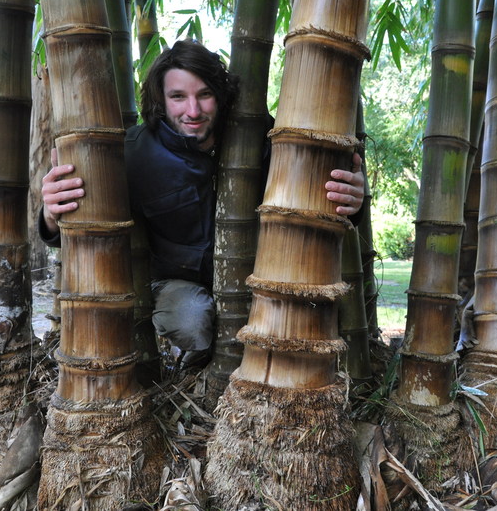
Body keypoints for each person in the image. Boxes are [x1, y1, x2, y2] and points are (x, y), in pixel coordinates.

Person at [40, 40, 364, 368]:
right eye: (178, 97)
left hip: (258, 275)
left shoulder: (261, 138)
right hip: (177, 281)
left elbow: (321, 198)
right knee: (193, 320)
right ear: (160, 100)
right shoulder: (134, 154)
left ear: (220, 96)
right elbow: (85, 220)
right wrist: (53, 215)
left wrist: (352, 200)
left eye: (204, 95)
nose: (193, 111)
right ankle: (196, 354)